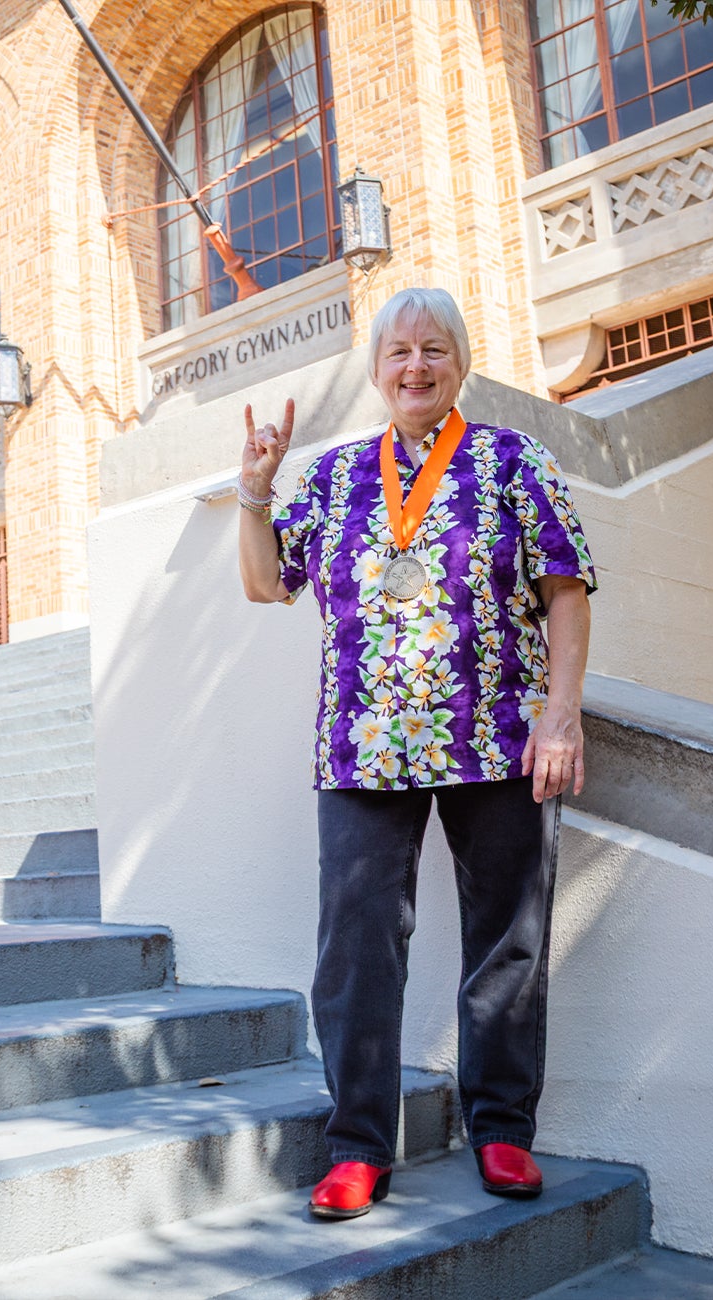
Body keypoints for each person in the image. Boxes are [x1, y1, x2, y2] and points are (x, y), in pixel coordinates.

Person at [236, 286, 596, 1219]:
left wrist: (561, 715)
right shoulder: (338, 475)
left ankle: (503, 1131)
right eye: (398, 353)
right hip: (362, 743)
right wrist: (254, 490)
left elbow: (565, 590)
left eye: (433, 350)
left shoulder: (514, 462)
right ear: (376, 370)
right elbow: (267, 582)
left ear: (459, 363)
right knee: (356, 946)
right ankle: (359, 1144)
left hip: (497, 736)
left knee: (507, 938)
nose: (415, 368)